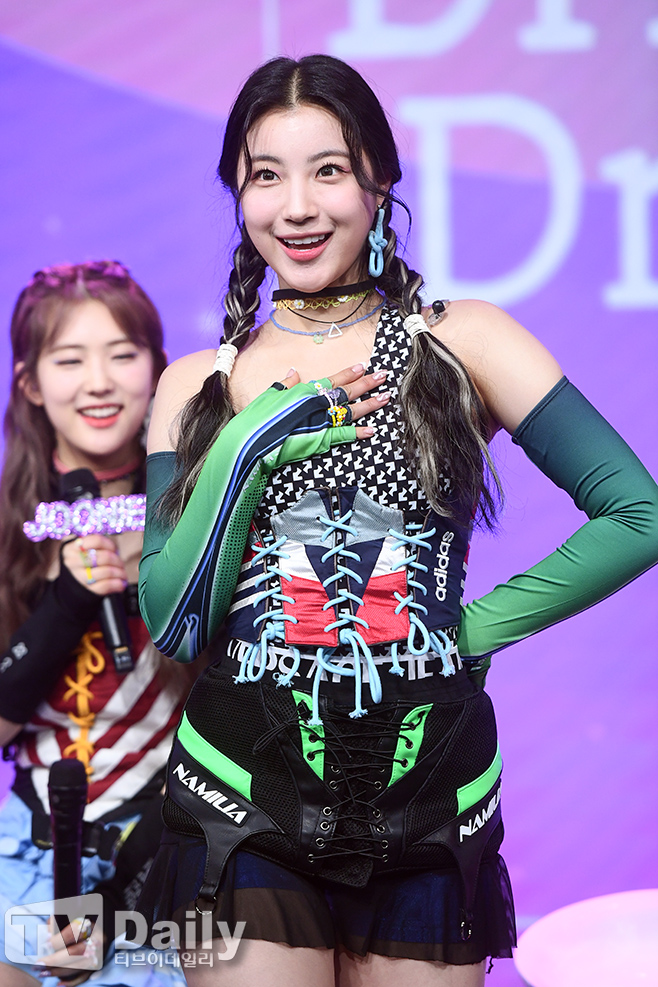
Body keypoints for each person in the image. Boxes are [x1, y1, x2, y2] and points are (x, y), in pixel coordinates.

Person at [136, 56, 658, 987]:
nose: (298, 206)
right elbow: (174, 624)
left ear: (379, 182)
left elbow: (639, 511)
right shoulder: (193, 387)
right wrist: (247, 443)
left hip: (429, 796)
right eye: (266, 175)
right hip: (241, 793)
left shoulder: (464, 341)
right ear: (238, 195)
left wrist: (471, 630)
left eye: (329, 170)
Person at [0, 261, 192, 987]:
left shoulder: (201, 515)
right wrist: (65, 603)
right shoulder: (8, 530)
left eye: (122, 354)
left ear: (158, 369)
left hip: (165, 846)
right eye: (70, 360)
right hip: (28, 844)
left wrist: (111, 908)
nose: (99, 383)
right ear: (30, 383)